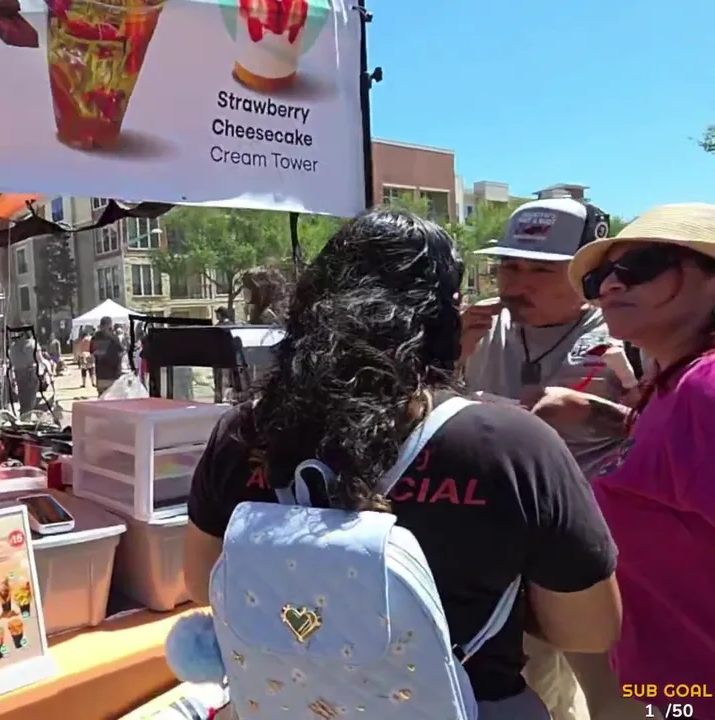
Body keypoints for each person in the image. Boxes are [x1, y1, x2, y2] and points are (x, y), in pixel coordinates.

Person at [183, 208, 621, 717]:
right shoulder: (514, 446)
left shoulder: (242, 433)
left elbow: (201, 581)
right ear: (441, 315)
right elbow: (590, 629)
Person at [463, 198, 638, 719]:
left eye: (541, 270)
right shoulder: (476, 327)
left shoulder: (627, 334)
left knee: (618, 700)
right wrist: (447, 353)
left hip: (596, 554)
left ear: (587, 275)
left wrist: (599, 414)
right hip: (499, 550)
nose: (517, 284)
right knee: (535, 691)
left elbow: (672, 436)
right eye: (509, 266)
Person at [549, 203, 715, 719]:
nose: (610, 286)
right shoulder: (674, 384)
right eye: (599, 277)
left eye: (642, 265)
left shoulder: (705, 388)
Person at [8, 332, 42, 414]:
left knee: (23, 399)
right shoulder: (33, 343)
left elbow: (11, 362)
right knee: (30, 399)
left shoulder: (13, 347)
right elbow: (40, 359)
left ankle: (23, 416)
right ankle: (27, 417)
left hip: (18, 373)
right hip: (30, 373)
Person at [90, 317, 124, 394]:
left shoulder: (95, 338)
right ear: (109, 325)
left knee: (102, 395)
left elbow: (92, 352)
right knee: (112, 396)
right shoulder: (114, 338)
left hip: (100, 373)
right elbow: (120, 352)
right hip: (112, 374)